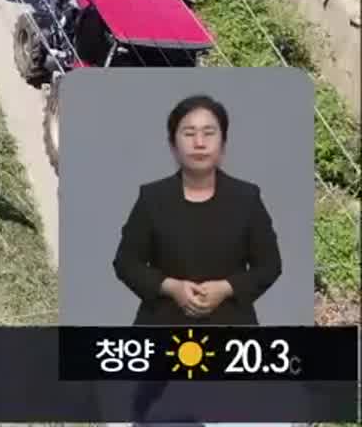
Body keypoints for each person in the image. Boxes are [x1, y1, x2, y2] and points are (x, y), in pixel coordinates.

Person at [113, 95, 281, 325]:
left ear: (223, 144)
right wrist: (171, 287)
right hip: (162, 324)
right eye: (189, 134)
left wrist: (226, 288)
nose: (199, 143)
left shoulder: (247, 198)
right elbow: (126, 262)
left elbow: (270, 265)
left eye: (209, 133)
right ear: (173, 145)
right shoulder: (152, 198)